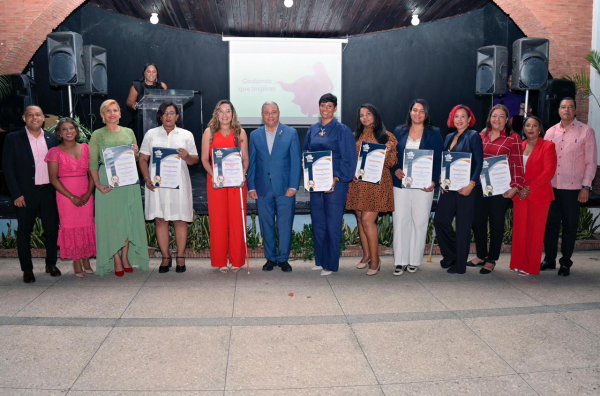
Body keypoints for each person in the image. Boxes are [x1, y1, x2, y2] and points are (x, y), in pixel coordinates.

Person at [89, 99, 149, 276]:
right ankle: (115, 258)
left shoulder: (129, 132)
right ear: (102, 115)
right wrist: (98, 184)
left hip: (127, 182)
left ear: (120, 114)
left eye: (115, 110)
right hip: (107, 182)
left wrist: (136, 152)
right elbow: (92, 164)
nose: (112, 113)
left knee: (127, 219)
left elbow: (134, 159)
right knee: (111, 221)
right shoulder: (97, 135)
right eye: (108, 111)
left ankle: (125, 257)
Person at [2, 105, 61, 283]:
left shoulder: (51, 138)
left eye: (38, 115)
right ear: (24, 118)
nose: (34, 118)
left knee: (51, 230)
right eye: (30, 115)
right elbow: (7, 168)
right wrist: (16, 194)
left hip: (49, 192)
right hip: (25, 194)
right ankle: (27, 269)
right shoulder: (13, 138)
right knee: (24, 233)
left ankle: (51, 264)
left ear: (43, 118)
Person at [139, 101, 199, 274]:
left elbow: (194, 160)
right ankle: (165, 257)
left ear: (177, 116)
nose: (168, 116)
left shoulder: (186, 135)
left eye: (171, 113)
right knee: (160, 220)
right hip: (157, 185)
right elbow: (142, 159)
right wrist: (146, 177)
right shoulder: (151, 134)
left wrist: (187, 156)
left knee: (179, 220)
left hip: (179, 184)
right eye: (165, 113)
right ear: (160, 115)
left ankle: (180, 256)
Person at [541, 98, 598, 276]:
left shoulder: (586, 132)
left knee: (569, 226)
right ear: (558, 110)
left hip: (573, 189)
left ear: (575, 111)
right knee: (550, 226)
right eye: (563, 107)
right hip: (550, 188)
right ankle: (549, 260)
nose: (566, 110)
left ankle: (565, 262)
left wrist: (585, 187)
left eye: (570, 107)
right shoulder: (550, 132)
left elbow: (591, 162)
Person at [303, 93, 356, 276]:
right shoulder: (313, 129)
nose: (325, 109)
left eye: (329, 106)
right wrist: (305, 162)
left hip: (335, 185)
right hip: (316, 183)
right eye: (322, 106)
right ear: (319, 108)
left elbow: (349, 158)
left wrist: (337, 177)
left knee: (332, 224)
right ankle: (320, 260)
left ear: (335, 109)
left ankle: (330, 264)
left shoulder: (342, 130)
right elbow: (307, 151)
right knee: (318, 222)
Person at [469, 104, 524, 275]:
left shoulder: (513, 137)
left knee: (496, 224)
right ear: (489, 118)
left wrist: (515, 187)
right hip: (479, 186)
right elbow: (472, 161)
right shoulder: (479, 136)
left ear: (507, 119)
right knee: (477, 222)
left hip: (500, 189)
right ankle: (481, 255)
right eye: (494, 116)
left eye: (501, 116)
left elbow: (517, 163)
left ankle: (492, 259)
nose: (497, 120)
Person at [391, 99, 443, 276]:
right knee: (400, 221)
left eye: (422, 111)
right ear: (410, 112)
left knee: (420, 222)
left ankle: (414, 261)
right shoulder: (399, 131)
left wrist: (434, 181)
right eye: (415, 110)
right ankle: (400, 261)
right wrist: (395, 169)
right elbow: (393, 157)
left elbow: (438, 159)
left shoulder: (434, 133)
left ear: (426, 114)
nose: (418, 114)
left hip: (424, 186)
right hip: (401, 185)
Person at [247, 101, 301, 272]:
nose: (270, 115)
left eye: (274, 112)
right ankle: (270, 258)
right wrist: (251, 187)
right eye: (267, 112)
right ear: (262, 115)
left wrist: (293, 185)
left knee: (285, 224)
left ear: (279, 113)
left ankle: (283, 259)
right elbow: (253, 162)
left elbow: (295, 162)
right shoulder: (255, 135)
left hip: (285, 188)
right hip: (263, 189)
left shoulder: (291, 133)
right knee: (266, 224)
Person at [346, 104, 397, 276]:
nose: (365, 117)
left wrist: (388, 151)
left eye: (368, 114)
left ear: (375, 115)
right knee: (360, 219)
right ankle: (367, 255)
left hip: (377, 185)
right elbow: (351, 160)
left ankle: (376, 260)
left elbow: (391, 164)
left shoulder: (387, 136)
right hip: (358, 185)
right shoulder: (355, 136)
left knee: (368, 221)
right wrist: (351, 172)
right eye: (361, 115)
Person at [434, 105, 483, 275]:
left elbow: (479, 162)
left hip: (466, 189)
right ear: (452, 119)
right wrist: (442, 177)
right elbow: (446, 161)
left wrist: (471, 184)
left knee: (463, 226)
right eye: (456, 116)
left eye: (463, 116)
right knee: (440, 220)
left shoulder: (473, 136)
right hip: (449, 188)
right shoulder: (449, 137)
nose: (459, 120)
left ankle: (460, 265)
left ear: (469, 120)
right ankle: (451, 255)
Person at [201, 100, 249, 273]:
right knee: (218, 221)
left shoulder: (240, 133)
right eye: (221, 111)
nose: (224, 114)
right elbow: (205, 160)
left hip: (236, 183)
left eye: (228, 111)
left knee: (237, 221)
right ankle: (221, 260)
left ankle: (236, 260)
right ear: (216, 113)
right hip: (216, 183)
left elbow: (245, 159)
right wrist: (214, 175)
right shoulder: (209, 133)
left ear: (232, 113)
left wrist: (243, 173)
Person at [45, 118, 96, 277]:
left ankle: (86, 258)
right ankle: (76, 260)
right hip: (65, 195)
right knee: (70, 226)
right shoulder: (54, 152)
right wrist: (72, 197)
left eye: (71, 128)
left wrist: (88, 193)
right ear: (59, 133)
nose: (68, 132)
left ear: (76, 130)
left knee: (87, 224)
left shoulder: (87, 149)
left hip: (85, 192)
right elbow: (53, 178)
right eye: (64, 129)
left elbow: (93, 173)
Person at [510, 116, 557, 275]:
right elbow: (514, 169)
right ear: (523, 129)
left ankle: (530, 266)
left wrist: (528, 188)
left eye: (534, 125)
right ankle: (517, 262)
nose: (530, 128)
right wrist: (517, 187)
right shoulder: (520, 146)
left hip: (539, 195)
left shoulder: (548, 146)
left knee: (534, 232)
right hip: (520, 195)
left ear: (540, 129)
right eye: (527, 125)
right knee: (520, 231)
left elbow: (548, 172)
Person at [125, 63, 168, 143]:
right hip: (141, 120)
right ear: (144, 73)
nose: (151, 74)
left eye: (154, 72)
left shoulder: (162, 86)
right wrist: (133, 104)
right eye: (148, 71)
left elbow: (166, 102)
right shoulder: (137, 85)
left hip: (158, 120)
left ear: (157, 73)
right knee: (142, 145)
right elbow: (129, 101)